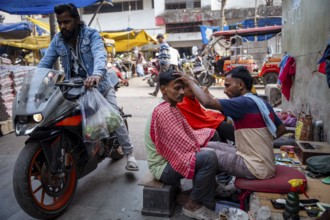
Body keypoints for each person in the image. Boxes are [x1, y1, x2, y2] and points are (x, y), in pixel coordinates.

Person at [38, 3, 139, 171]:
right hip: (74, 90)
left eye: (67, 22)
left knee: (113, 119)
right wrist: (36, 78)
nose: (63, 26)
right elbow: (45, 63)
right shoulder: (58, 40)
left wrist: (97, 74)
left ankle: (129, 154)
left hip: (99, 87)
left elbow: (100, 55)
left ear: (77, 20)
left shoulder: (91, 35)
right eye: (60, 22)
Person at [177, 66, 287, 180]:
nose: (224, 90)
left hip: (254, 167)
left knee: (203, 155)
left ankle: (200, 196)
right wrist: (262, 142)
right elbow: (282, 129)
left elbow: (207, 102)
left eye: (227, 86)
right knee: (204, 145)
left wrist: (190, 81)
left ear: (240, 85)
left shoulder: (242, 102)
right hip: (259, 161)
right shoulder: (259, 102)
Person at [144, 69, 219, 219]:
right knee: (208, 158)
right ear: (163, 89)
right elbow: (181, 147)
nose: (182, 92)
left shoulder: (171, 106)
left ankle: (206, 190)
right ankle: (192, 204)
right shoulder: (163, 112)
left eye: (182, 88)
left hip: (169, 160)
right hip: (162, 168)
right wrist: (201, 149)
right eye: (177, 88)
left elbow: (184, 136)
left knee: (212, 135)